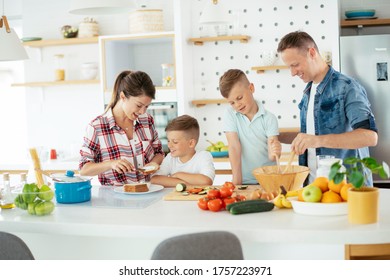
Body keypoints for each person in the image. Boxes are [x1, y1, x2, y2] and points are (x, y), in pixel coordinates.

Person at [277, 31, 378, 185]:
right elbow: (311, 136)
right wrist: (276, 136)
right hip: (314, 188)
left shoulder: (347, 87)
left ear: (312, 53)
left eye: (295, 65)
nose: (292, 73)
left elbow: (369, 137)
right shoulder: (308, 91)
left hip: (347, 188)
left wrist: (317, 140)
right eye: (289, 67)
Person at [79, 70, 165, 185]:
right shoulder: (97, 127)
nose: (142, 111)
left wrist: (154, 163)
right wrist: (111, 164)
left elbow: (159, 152)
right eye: (139, 105)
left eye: (147, 106)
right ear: (123, 97)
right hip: (115, 199)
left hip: (149, 192)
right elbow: (84, 169)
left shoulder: (147, 120)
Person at [219, 69, 282, 185]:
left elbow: (272, 156)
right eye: (232, 102)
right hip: (244, 181)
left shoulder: (269, 118)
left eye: (239, 98)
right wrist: (237, 181)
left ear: (251, 88)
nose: (237, 105)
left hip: (269, 180)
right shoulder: (230, 114)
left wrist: (276, 151)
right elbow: (234, 146)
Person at [151, 114, 215, 187]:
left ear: (191, 143)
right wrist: (184, 184)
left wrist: (178, 175)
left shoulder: (203, 156)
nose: (169, 145)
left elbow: (206, 181)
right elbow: (155, 179)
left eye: (175, 142)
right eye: (168, 141)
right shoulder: (170, 158)